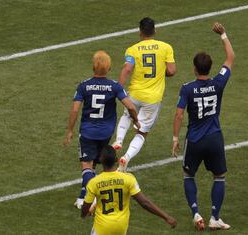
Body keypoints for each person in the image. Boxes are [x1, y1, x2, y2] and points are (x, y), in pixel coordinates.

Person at [172, 22, 234, 231]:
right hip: (215, 137)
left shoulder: (187, 88)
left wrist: (175, 138)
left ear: (194, 68)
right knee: (219, 176)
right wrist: (223, 34)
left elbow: (179, 114)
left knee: (189, 175)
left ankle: (196, 212)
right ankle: (215, 217)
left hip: (195, 139)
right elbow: (230, 58)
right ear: (209, 68)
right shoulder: (218, 83)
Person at [63, 50, 139, 209]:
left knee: (87, 165)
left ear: (93, 67)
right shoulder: (114, 86)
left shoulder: (84, 85)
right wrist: (136, 120)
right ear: (109, 68)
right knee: (95, 163)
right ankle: (84, 194)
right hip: (106, 133)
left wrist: (69, 130)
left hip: (88, 132)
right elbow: (130, 106)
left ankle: (87, 200)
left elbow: (75, 110)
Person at [112, 17, 176, 172]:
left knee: (127, 115)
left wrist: (118, 90)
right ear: (155, 30)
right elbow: (172, 71)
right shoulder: (166, 47)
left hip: (135, 93)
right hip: (153, 98)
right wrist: (161, 72)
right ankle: (126, 158)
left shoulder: (132, 49)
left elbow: (127, 69)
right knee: (142, 131)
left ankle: (118, 140)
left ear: (139, 32)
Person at [81, 145, 177, 235]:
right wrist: (166, 217)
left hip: (101, 228)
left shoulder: (94, 182)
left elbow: (86, 206)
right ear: (116, 159)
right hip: (121, 228)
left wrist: (84, 214)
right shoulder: (128, 179)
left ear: (101, 160)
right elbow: (145, 203)